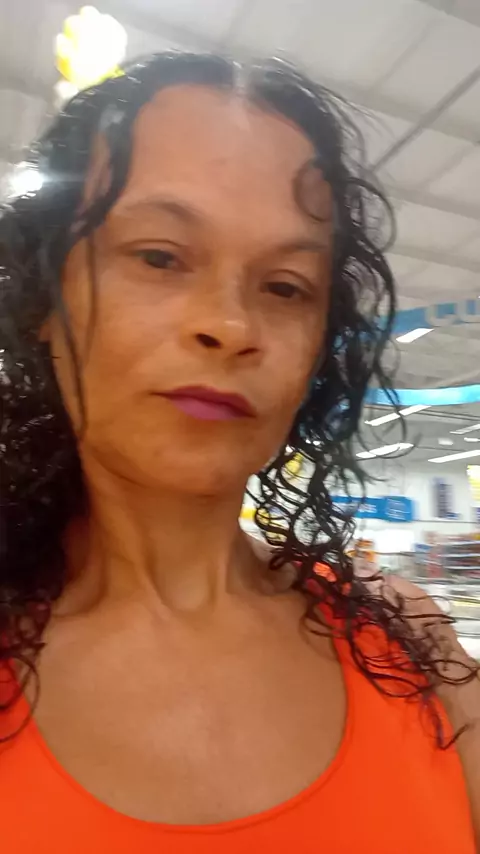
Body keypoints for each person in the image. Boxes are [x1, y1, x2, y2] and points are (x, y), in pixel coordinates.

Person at [0, 52, 478, 852]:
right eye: (159, 256)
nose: (231, 325)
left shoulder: (413, 651)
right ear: (47, 299)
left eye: (285, 286)